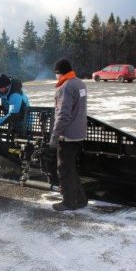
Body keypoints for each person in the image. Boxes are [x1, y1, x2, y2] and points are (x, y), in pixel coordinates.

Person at [48, 59, 88, 211]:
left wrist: (54, 136)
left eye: (56, 74)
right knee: (71, 168)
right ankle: (81, 200)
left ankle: (69, 202)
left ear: (59, 73)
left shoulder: (65, 87)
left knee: (64, 169)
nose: (56, 78)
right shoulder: (80, 84)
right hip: (79, 133)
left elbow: (63, 115)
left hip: (68, 135)